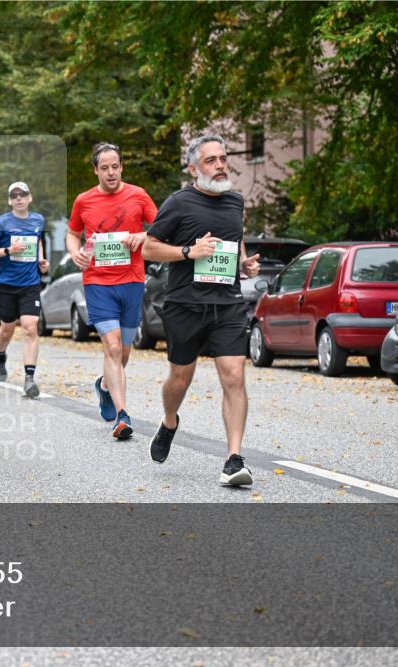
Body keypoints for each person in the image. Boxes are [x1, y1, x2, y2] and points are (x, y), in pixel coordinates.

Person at [143, 134, 260, 486]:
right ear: (194, 169)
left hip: (227, 304)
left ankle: (233, 459)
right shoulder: (179, 203)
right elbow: (149, 247)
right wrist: (187, 253)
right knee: (180, 378)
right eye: (211, 160)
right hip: (185, 305)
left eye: (223, 158)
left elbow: (235, 241)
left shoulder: (236, 202)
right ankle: (169, 421)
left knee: (234, 376)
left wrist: (244, 265)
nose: (221, 165)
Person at [66, 142, 158, 440]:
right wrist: (76, 251)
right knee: (113, 347)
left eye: (115, 166)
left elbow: (161, 228)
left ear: (121, 167)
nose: (110, 172)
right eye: (104, 168)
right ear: (96, 170)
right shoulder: (84, 201)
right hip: (98, 282)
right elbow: (72, 233)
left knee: (125, 352)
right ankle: (122, 415)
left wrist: (142, 235)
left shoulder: (138, 195)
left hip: (131, 280)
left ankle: (105, 386)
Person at [0, 181, 49, 398]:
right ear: (10, 200)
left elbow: (37, 242)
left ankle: (29, 378)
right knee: (6, 331)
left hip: (30, 284)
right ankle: (1, 354)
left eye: (23, 194)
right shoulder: (1, 223)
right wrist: (8, 250)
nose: (19, 198)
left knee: (30, 328)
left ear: (30, 198)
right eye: (15, 195)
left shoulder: (38, 220)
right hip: (6, 286)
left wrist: (41, 260)